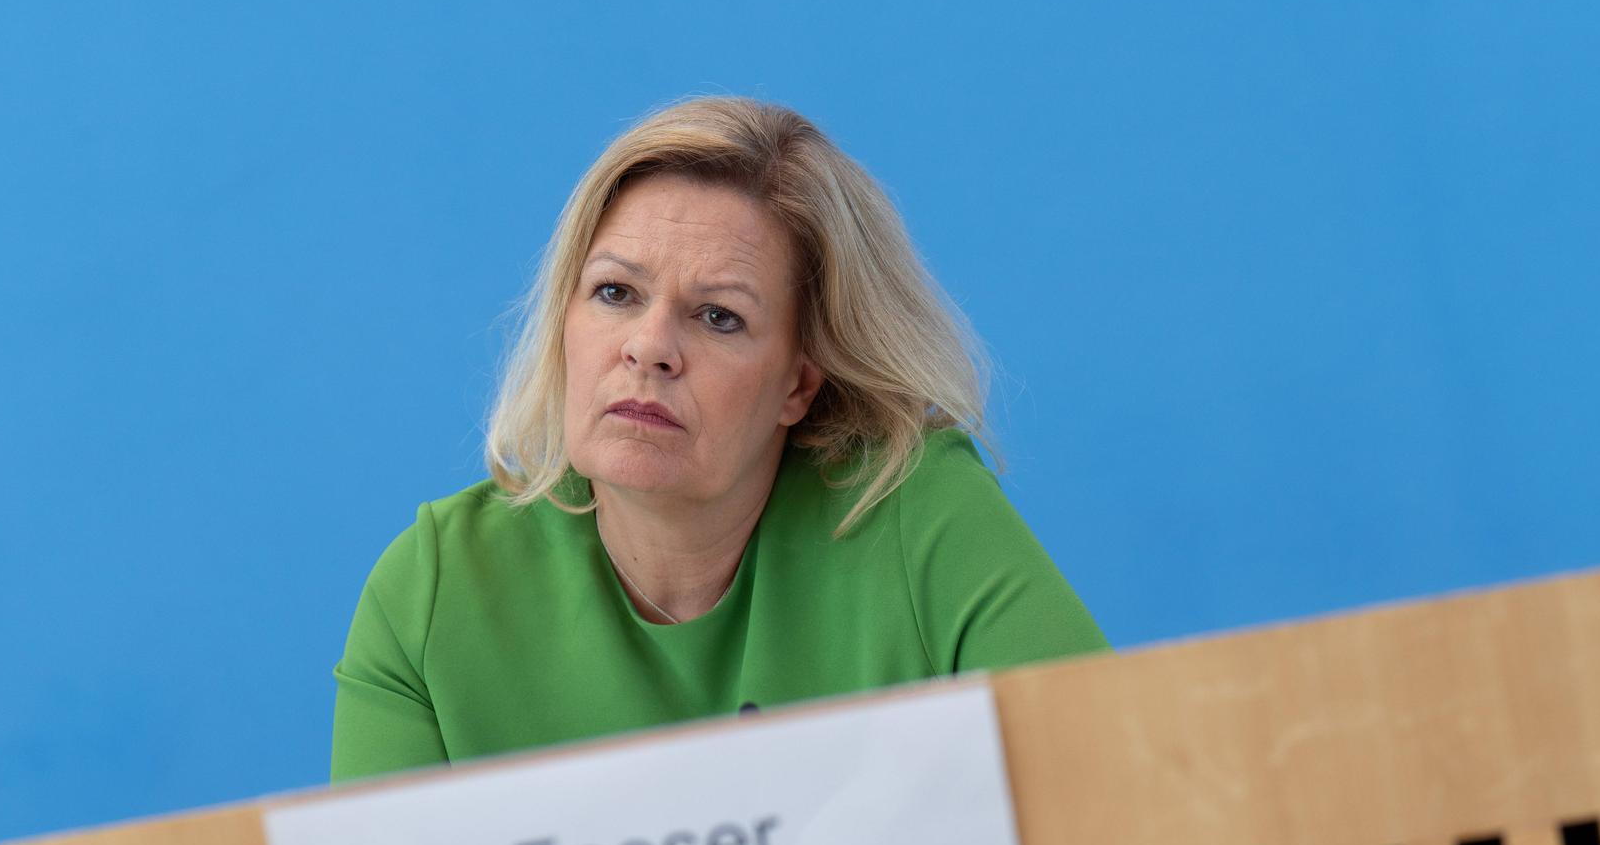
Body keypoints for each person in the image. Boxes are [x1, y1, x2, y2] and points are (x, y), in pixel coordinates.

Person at [329, 96, 1110, 783]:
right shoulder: (435, 588)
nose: (648, 346)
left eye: (719, 317)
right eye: (615, 293)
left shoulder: (916, 513)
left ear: (798, 385)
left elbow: (1125, 789)